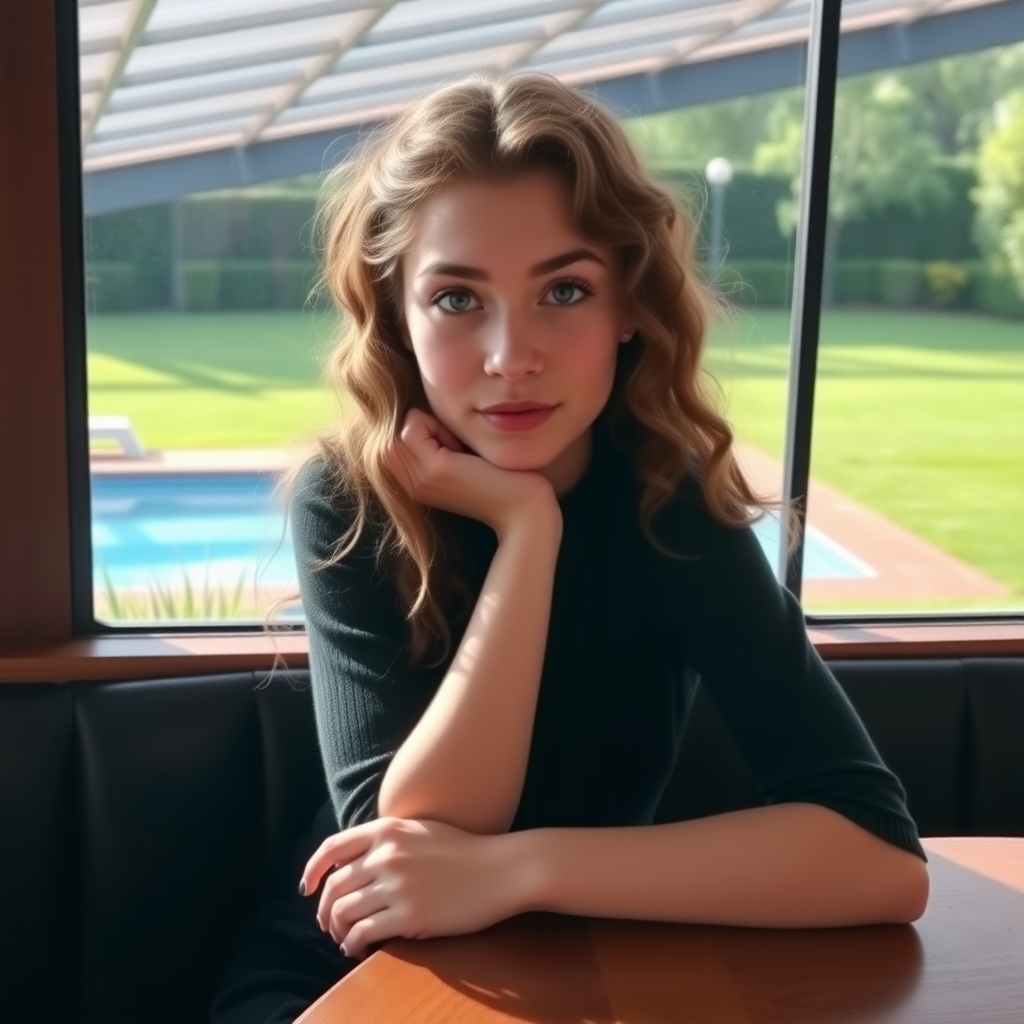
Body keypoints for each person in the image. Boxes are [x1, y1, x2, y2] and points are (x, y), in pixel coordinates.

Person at [210, 73, 929, 1024]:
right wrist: (527, 531)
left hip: (584, 977)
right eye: (458, 299)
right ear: (397, 316)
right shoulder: (349, 499)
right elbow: (410, 855)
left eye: (563, 289)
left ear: (629, 302)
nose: (513, 354)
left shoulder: (668, 508)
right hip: (341, 979)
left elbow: (878, 860)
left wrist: (523, 869)